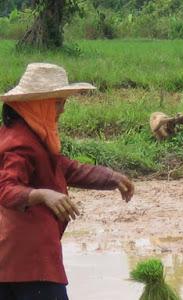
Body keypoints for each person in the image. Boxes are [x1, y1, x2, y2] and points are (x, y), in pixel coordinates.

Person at [0, 63, 134, 300]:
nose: (62, 110)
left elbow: (64, 167)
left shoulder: (30, 135)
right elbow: (5, 189)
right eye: (58, 102)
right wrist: (44, 195)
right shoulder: (19, 143)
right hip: (29, 261)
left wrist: (110, 177)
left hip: (19, 259)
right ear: (38, 105)